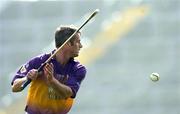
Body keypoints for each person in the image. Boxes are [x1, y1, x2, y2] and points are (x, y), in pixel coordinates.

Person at [11, 25, 87, 114]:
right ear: (68, 44)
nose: (81, 46)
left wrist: (52, 81)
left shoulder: (78, 69)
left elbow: (68, 93)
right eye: (78, 42)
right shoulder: (39, 61)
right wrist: (28, 78)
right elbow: (14, 88)